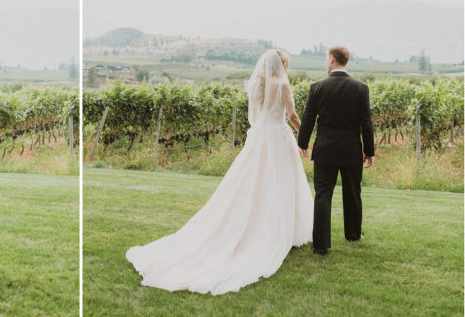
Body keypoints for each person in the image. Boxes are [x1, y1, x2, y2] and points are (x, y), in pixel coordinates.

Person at [126, 49, 313, 295]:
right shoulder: (282, 85)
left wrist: (261, 130)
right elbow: (292, 115)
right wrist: (304, 138)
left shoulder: (258, 85)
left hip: (259, 138)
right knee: (280, 184)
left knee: (253, 184)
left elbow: (255, 117)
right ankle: (278, 230)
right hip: (277, 138)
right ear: (282, 66)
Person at [298, 45, 374, 255]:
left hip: (325, 149)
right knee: (352, 192)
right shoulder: (361, 88)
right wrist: (369, 151)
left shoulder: (317, 86)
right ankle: (353, 233)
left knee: (323, 194)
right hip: (351, 149)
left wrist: (302, 143)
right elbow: (366, 123)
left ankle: (321, 244)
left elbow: (308, 118)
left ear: (332, 59)